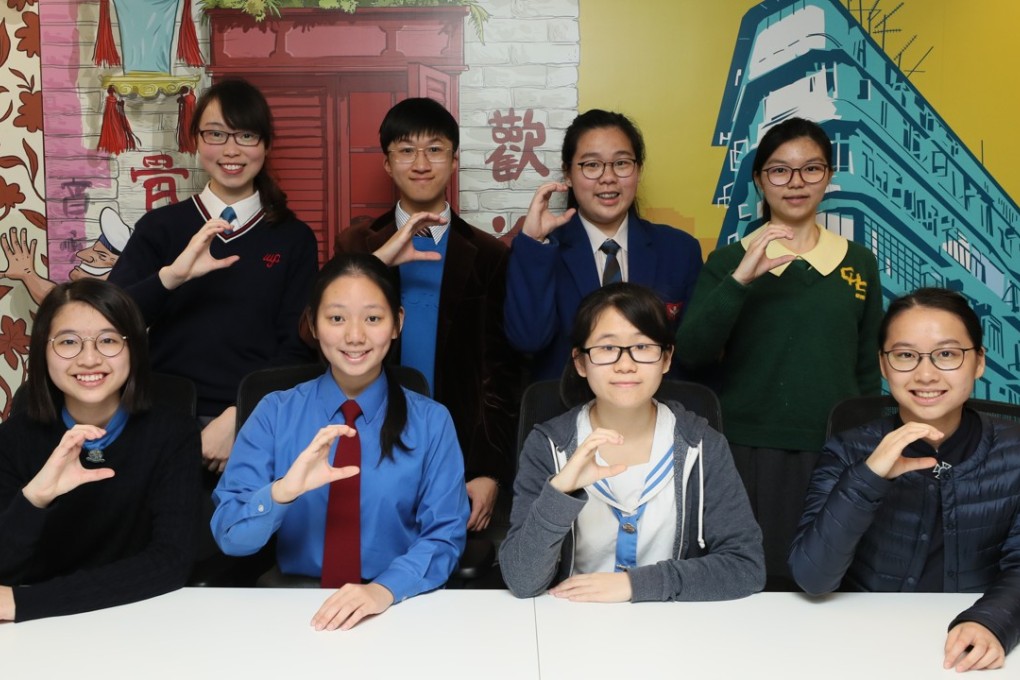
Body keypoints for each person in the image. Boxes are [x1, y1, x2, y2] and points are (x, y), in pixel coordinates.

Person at [675, 117, 882, 588]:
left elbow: (868, 369)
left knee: (830, 583)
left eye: (811, 169)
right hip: (748, 448)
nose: (795, 183)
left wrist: (867, 450)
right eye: (779, 170)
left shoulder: (858, 262)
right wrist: (742, 280)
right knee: (752, 580)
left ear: (829, 176)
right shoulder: (730, 260)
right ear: (758, 180)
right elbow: (692, 352)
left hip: (837, 450)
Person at [212, 253, 469, 631]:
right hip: (292, 609)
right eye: (336, 318)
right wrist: (282, 491)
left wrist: (384, 589)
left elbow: (445, 536)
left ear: (397, 323)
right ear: (313, 324)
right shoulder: (275, 413)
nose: (354, 336)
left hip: (396, 605)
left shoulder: (431, 421)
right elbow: (230, 536)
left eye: (373, 318)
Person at [790, 288, 1020, 673]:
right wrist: (868, 476)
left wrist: (990, 621)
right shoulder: (848, 448)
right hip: (865, 643)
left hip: (972, 646)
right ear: (883, 365)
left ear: (978, 362)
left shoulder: (1015, 451)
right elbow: (813, 578)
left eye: (947, 354)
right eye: (905, 355)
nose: (925, 374)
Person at [500, 283, 764, 601]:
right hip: (571, 623)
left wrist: (635, 585)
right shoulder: (548, 445)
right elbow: (522, 580)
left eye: (642, 347)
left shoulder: (703, 445)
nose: (625, 364)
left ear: (666, 359)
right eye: (608, 348)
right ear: (581, 362)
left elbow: (746, 568)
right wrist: (560, 491)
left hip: (672, 625)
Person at [109, 78, 318, 474]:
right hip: (158, 418)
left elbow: (298, 348)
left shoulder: (294, 239)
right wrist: (171, 276)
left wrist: (241, 416)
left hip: (256, 424)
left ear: (266, 145)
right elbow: (109, 320)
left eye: (246, 135)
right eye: (216, 134)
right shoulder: (161, 228)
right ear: (196, 140)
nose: (231, 149)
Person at [331, 97, 518, 533]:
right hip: (369, 444)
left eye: (435, 149)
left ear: (454, 161)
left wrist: (489, 470)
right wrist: (377, 263)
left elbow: (501, 373)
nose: (421, 163)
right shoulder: (357, 244)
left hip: (457, 449)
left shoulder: (488, 254)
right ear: (386, 163)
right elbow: (313, 333)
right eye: (406, 150)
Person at [0, 279, 200, 622]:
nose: (89, 359)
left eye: (108, 341)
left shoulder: (173, 432)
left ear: (134, 348)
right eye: (68, 342)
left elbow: (171, 561)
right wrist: (35, 497)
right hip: (40, 630)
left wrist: (27, 604)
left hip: (140, 613)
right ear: (43, 351)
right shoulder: (14, 438)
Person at [504, 109, 703, 381]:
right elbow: (528, 340)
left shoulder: (679, 250)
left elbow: (694, 356)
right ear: (568, 174)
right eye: (591, 165)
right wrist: (534, 245)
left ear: (638, 170)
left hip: (657, 414)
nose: (608, 177)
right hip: (567, 413)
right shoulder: (543, 250)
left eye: (621, 163)